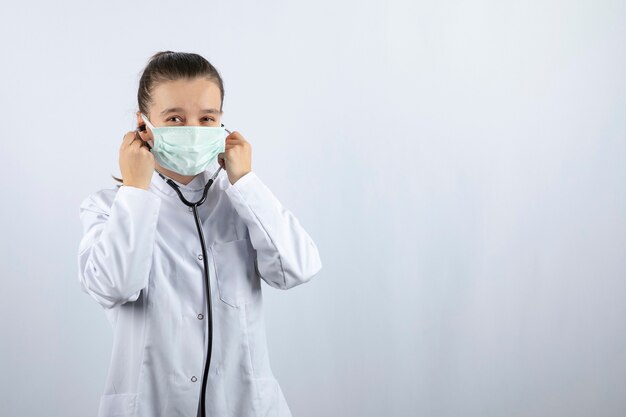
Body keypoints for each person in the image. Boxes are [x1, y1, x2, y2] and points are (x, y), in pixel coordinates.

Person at [77, 50, 323, 417]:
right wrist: (134, 190)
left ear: (223, 125)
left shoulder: (241, 201)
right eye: (174, 118)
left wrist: (246, 182)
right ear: (143, 124)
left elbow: (297, 269)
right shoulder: (109, 208)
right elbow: (115, 285)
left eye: (207, 118)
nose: (192, 130)